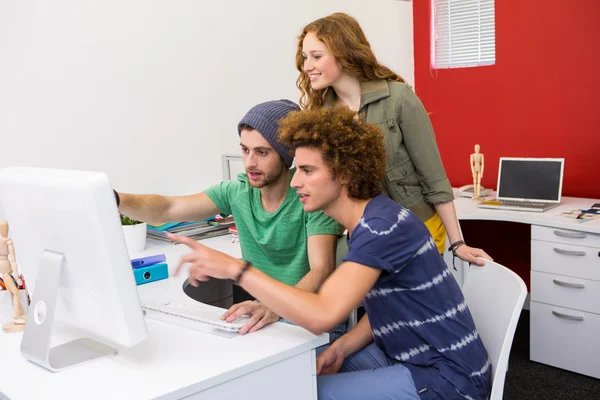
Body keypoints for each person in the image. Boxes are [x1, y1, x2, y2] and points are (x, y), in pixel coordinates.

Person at [169, 107, 491, 399]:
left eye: (308, 171)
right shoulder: (370, 221)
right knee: (294, 375)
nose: (295, 182)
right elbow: (395, 306)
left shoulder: (383, 228)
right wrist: (341, 348)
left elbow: (323, 313)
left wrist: (237, 269)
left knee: (303, 391)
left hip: (447, 379)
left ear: (345, 173)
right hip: (404, 354)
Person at [117, 99, 342, 335]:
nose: (250, 163)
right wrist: (114, 200)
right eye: (245, 150)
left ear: (288, 153)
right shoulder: (238, 193)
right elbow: (166, 208)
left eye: (262, 152)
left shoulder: (312, 195)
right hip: (270, 318)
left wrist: (275, 308)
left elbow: (320, 270)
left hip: (311, 323)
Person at [295, 12, 492, 265]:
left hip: (418, 227)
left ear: (343, 54)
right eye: (304, 57)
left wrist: (457, 243)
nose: (307, 66)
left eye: (316, 56)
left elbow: (433, 177)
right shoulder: (322, 116)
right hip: (367, 234)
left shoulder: (398, 98)